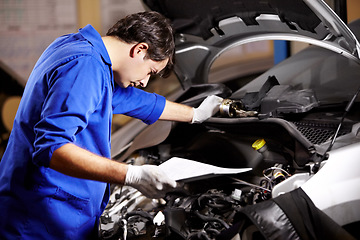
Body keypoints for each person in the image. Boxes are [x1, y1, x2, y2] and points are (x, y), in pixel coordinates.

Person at [0, 11, 222, 239]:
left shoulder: (79, 49)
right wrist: (132, 175)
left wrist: (196, 114)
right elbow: (53, 148)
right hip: (41, 218)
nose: (145, 82)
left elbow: (134, 100)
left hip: (49, 211)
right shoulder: (85, 66)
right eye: (150, 71)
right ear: (140, 49)